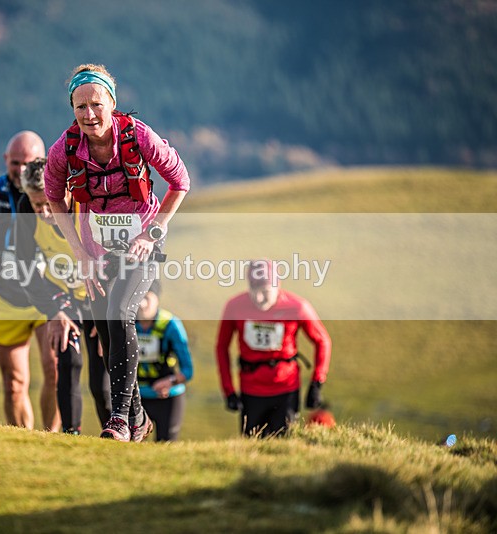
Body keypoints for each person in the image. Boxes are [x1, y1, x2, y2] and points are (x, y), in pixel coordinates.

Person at [44, 64, 190, 442]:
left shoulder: (139, 136)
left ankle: (120, 420)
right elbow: (53, 197)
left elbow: (180, 182)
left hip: (142, 244)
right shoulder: (64, 149)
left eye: (96, 104)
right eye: (80, 107)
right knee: (109, 334)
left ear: (112, 101)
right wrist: (79, 252)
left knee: (119, 311)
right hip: (97, 252)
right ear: (72, 108)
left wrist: (155, 230)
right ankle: (138, 418)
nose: (89, 114)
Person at [0, 131, 60, 431]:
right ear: (5, 160)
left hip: (48, 297)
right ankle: (24, 442)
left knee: (55, 371)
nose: (19, 169)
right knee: (14, 383)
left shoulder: (54, 194)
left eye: (27, 163)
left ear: (42, 162)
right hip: (6, 298)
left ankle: (54, 441)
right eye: (14, 162)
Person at [15, 157, 111, 434]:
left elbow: (115, 259)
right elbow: (25, 268)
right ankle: (71, 434)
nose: (45, 212)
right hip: (61, 295)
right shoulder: (24, 212)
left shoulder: (86, 205)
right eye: (37, 205)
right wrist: (53, 311)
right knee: (68, 362)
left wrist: (111, 318)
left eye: (49, 202)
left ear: (65, 189)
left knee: (101, 377)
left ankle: (116, 434)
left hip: (98, 294)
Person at [215, 259, 332, 437]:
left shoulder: (297, 307)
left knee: (284, 444)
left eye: (265, 291)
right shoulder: (234, 306)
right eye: (253, 291)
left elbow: (322, 340)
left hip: (286, 388)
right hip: (251, 390)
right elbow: (221, 347)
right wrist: (228, 390)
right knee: (251, 445)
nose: (259, 298)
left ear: (277, 286)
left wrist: (317, 382)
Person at [135, 279, 193, 442]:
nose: (142, 304)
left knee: (166, 446)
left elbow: (188, 370)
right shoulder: (126, 323)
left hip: (168, 397)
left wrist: (170, 381)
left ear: (157, 299)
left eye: (147, 298)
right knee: (133, 448)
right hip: (136, 397)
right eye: (138, 297)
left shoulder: (171, 325)